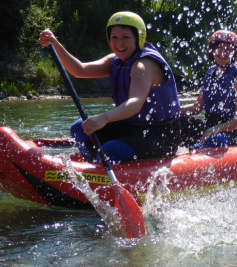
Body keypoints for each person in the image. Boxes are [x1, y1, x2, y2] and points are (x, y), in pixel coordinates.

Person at [39, 11, 181, 163]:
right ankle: (96, 164)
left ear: (138, 38)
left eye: (125, 37)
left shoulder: (143, 65)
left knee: (109, 150)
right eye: (114, 37)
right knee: (79, 128)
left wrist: (104, 118)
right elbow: (79, 70)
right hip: (132, 127)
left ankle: (104, 163)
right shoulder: (115, 60)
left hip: (161, 136)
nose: (119, 43)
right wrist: (55, 44)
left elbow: (135, 103)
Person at [179, 30, 237, 148]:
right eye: (219, 48)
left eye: (228, 50)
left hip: (232, 135)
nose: (222, 53)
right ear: (212, 50)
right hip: (211, 129)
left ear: (234, 53)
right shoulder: (211, 73)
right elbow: (196, 108)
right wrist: (171, 111)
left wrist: (215, 130)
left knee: (216, 139)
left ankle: (201, 149)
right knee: (177, 122)